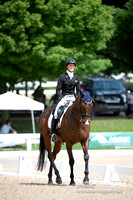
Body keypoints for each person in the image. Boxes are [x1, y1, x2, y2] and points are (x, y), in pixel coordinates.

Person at [51, 58, 81, 142]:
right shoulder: (62, 77)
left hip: (73, 98)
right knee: (57, 112)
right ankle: (53, 133)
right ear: (67, 66)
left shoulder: (76, 77)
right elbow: (58, 90)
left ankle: (82, 132)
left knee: (82, 111)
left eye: (73, 65)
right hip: (64, 97)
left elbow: (78, 90)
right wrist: (61, 97)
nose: (71, 67)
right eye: (70, 65)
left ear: (75, 67)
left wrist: (77, 98)